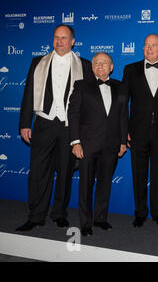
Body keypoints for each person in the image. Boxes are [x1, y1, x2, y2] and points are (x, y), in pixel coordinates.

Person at [16, 25, 94, 231]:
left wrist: (84, 131)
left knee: (66, 171)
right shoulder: (38, 62)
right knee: (39, 171)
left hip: (70, 126)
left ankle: (59, 213)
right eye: (56, 37)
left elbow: (88, 101)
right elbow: (29, 93)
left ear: (73, 41)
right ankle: (36, 215)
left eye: (63, 38)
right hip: (44, 122)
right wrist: (25, 122)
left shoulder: (85, 65)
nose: (59, 41)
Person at [122, 34, 158, 228]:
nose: (149, 48)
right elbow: (123, 103)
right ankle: (140, 212)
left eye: (153, 45)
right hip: (137, 132)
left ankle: (157, 211)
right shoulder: (130, 70)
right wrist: (124, 130)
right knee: (139, 174)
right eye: (146, 45)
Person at [68, 52, 128, 236]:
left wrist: (123, 141)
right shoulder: (81, 85)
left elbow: (123, 116)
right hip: (87, 145)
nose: (100, 66)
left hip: (111, 144)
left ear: (111, 67)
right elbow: (74, 114)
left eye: (104, 63)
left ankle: (100, 218)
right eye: (96, 63)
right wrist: (75, 142)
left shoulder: (120, 86)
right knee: (86, 184)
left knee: (105, 184)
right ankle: (85, 223)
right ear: (92, 67)